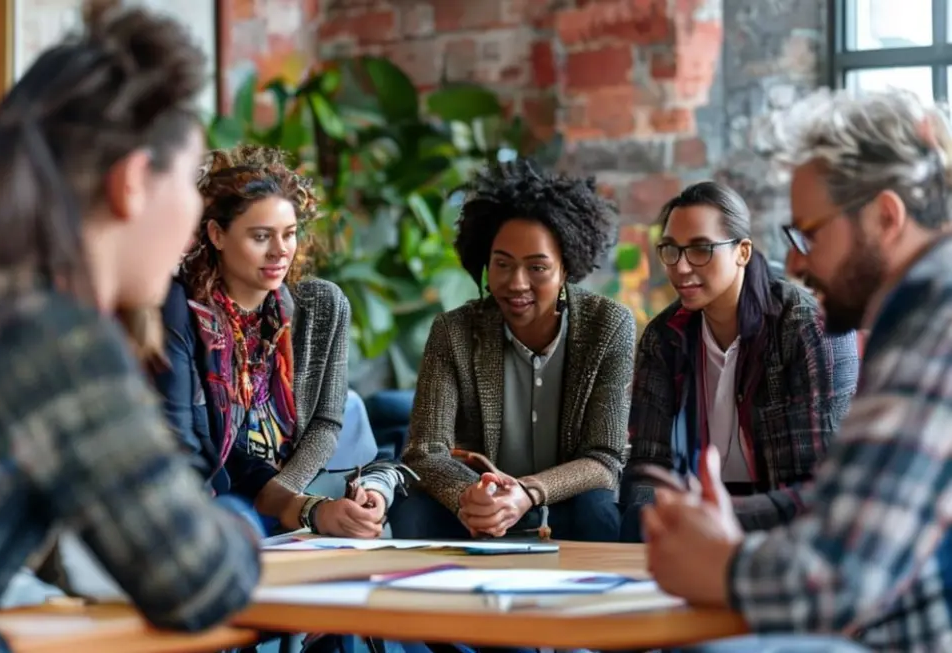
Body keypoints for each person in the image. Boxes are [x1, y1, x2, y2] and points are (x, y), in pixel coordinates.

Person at [0, 1, 260, 651]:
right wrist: (243, 522)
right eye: (190, 183)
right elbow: (196, 579)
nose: (192, 225)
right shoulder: (50, 336)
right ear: (133, 183)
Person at [642, 89, 952, 652]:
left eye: (809, 232)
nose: (797, 262)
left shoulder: (936, 321)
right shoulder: (918, 315)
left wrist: (724, 563)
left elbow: (839, 576)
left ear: (886, 217)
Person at [153, 144, 414, 539]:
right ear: (217, 234)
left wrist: (293, 496)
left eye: (288, 235)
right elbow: (200, 444)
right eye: (261, 237)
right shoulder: (188, 315)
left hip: (299, 487)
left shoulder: (321, 305)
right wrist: (292, 506)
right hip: (228, 497)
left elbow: (327, 420)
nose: (280, 251)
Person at [388, 160, 633, 543]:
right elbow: (425, 450)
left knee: (598, 510)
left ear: (566, 269)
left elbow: (604, 459)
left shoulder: (608, 326)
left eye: (537, 268)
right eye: (502, 264)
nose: (517, 283)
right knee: (414, 511)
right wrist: (470, 496)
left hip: (561, 503)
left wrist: (528, 492)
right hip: (475, 503)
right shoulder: (454, 331)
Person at [621, 181, 859, 540]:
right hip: (692, 515)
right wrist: (653, 512)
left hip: (780, 522)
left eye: (701, 249)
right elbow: (645, 465)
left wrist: (713, 515)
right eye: (670, 249)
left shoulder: (806, 328)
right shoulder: (665, 336)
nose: (681, 267)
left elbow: (816, 487)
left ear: (742, 252)